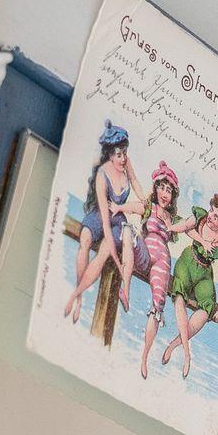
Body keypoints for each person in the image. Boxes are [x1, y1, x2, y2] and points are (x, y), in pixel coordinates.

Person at [63, 120, 146, 323]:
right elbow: (104, 222)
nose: (123, 158)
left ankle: (74, 295)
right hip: (100, 215)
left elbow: (134, 180)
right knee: (85, 240)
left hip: (118, 221)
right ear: (110, 155)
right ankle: (79, 298)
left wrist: (144, 200)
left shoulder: (126, 162)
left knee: (103, 254)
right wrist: (117, 261)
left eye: (125, 153)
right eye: (119, 155)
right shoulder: (102, 175)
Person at [160, 194, 218, 377]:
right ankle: (187, 354)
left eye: (216, 217)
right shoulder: (200, 217)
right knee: (179, 296)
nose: (210, 216)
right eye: (211, 211)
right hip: (188, 261)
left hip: (205, 273)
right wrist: (171, 228)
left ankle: (174, 344)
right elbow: (185, 226)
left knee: (206, 308)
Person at [137, 162, 197, 378]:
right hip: (145, 252)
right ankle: (125, 287)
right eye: (162, 188)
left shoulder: (172, 219)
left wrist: (202, 237)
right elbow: (133, 204)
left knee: (157, 307)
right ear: (155, 189)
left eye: (169, 190)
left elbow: (190, 225)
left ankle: (144, 358)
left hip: (163, 261)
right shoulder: (149, 207)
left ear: (173, 197)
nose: (164, 193)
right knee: (129, 241)